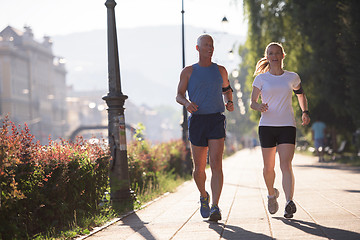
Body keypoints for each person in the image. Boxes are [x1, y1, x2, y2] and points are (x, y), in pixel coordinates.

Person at [176, 34, 234, 221]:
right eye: (206, 45)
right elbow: (178, 95)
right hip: (198, 120)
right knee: (199, 168)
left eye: (211, 45)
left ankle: (215, 206)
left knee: (216, 163)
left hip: (216, 119)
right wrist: (187, 103)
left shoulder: (221, 70)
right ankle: (203, 196)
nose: (210, 48)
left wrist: (229, 101)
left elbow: (227, 90)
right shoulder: (188, 71)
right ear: (197, 48)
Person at [250, 42, 310, 219]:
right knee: (268, 167)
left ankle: (289, 202)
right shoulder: (261, 79)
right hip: (267, 126)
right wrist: (259, 106)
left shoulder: (292, 77)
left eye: (277, 53)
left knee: (286, 165)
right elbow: (252, 102)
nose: (274, 56)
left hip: (287, 125)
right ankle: (271, 194)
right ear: (266, 56)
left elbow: (301, 94)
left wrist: (305, 112)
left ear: (283, 55)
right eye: (270, 53)